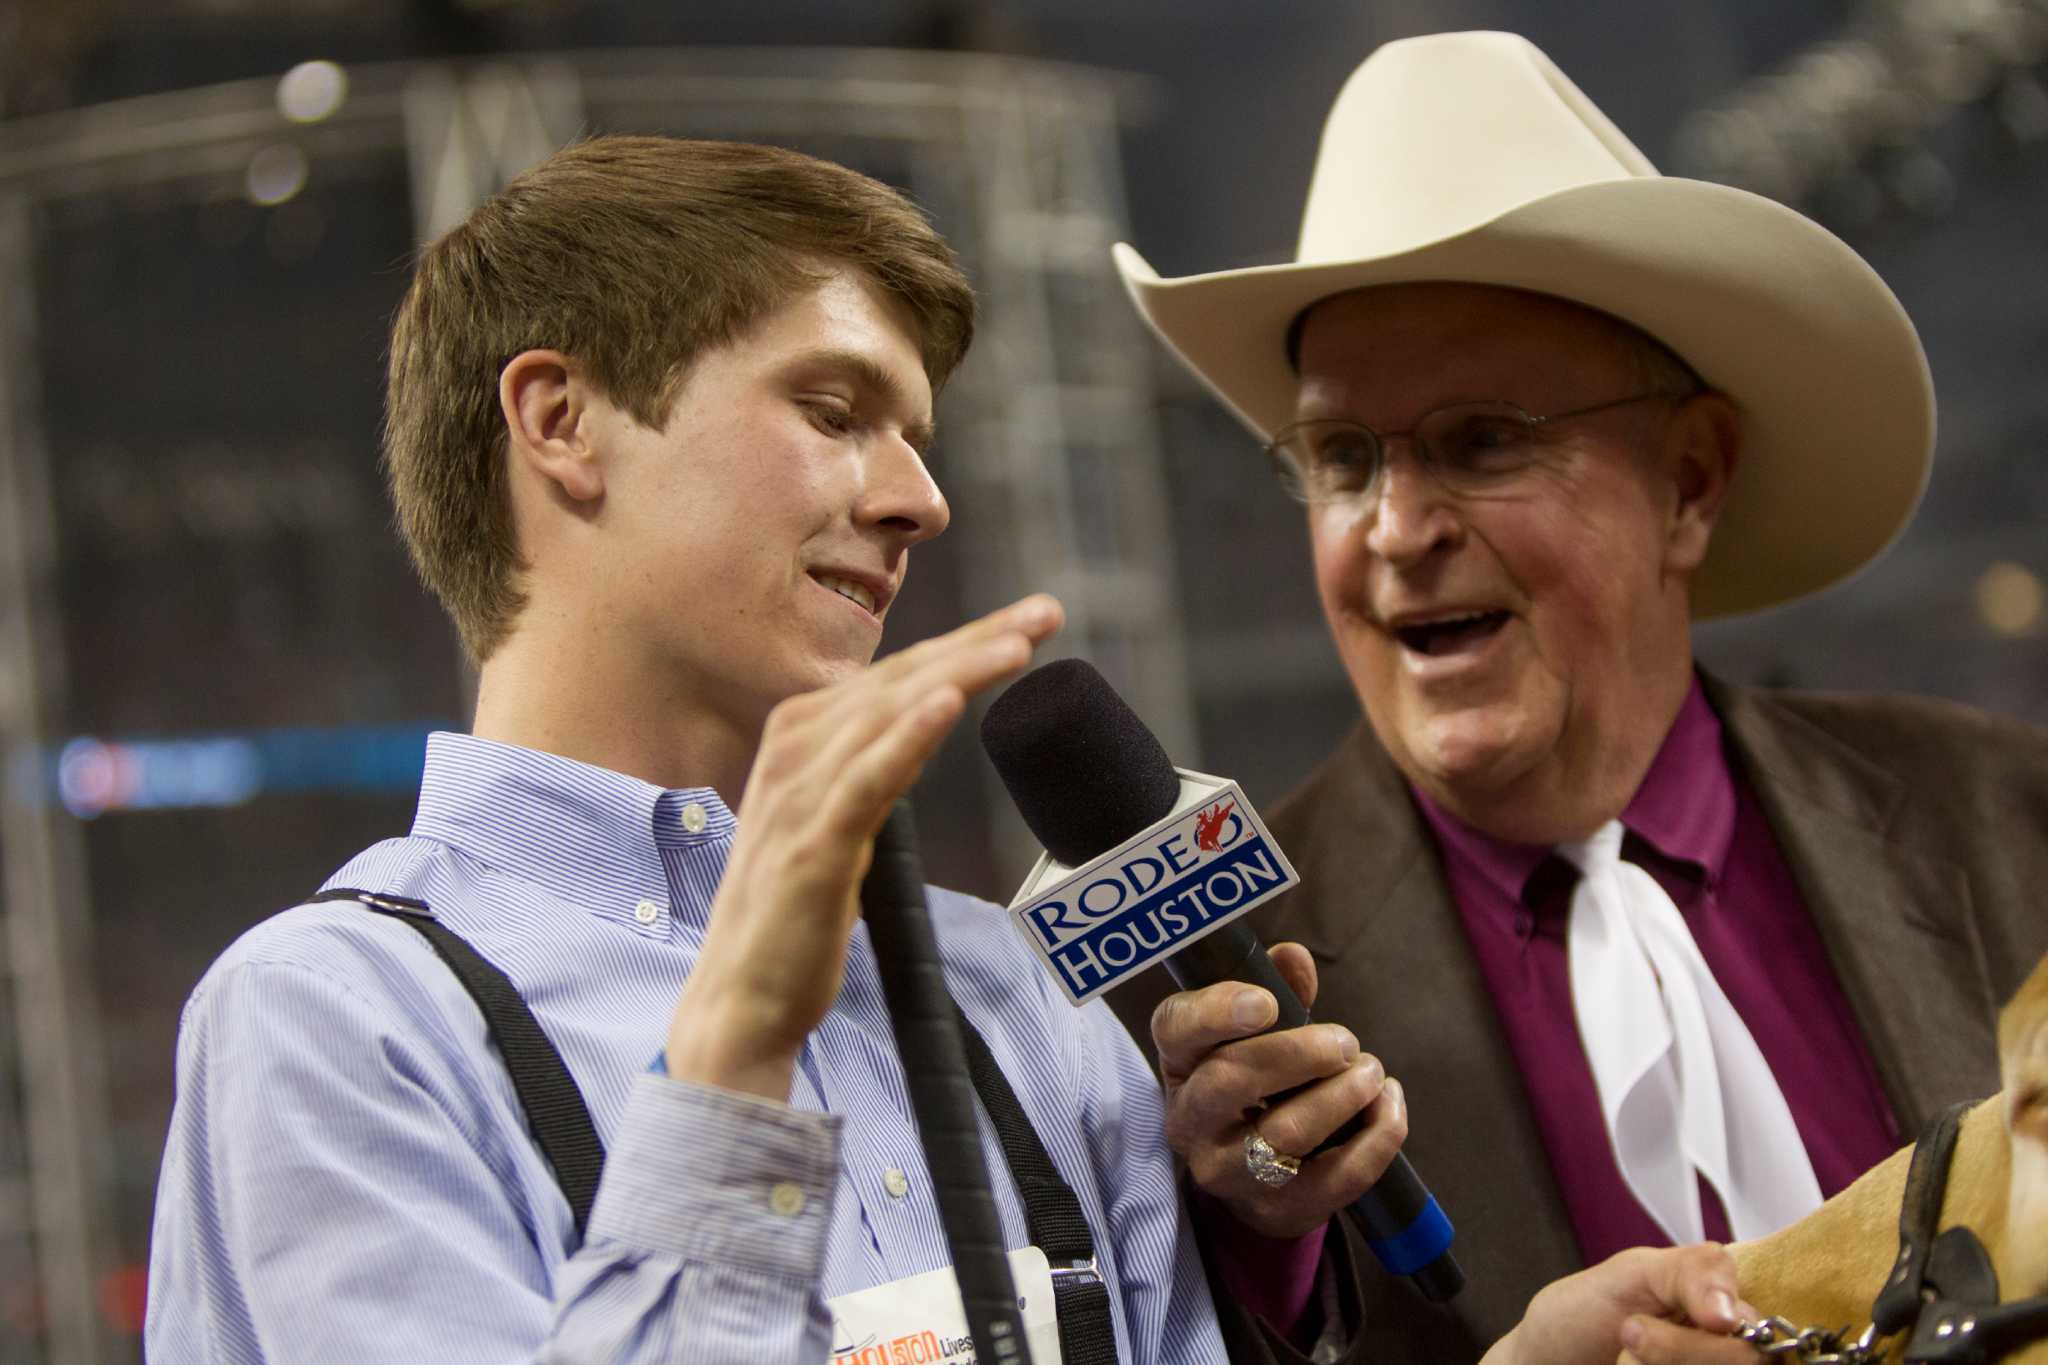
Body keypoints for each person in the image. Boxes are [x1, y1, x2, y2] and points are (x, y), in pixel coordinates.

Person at [144, 131, 1775, 1365]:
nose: (921, 498)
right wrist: (734, 1056)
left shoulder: (1010, 992)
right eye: (837, 409)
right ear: (560, 421)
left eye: (915, 437)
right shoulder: (335, 1030)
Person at [1107, 29, 2048, 1364]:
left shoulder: (2007, 815)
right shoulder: (1219, 1003)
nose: (1394, 525)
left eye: (1483, 440)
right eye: (1340, 457)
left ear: (1692, 481)